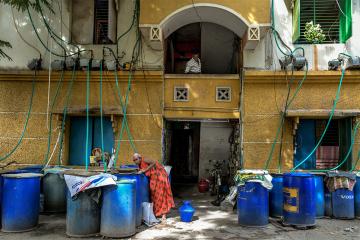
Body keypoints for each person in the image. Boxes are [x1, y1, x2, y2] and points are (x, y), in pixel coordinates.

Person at [132, 153, 175, 220]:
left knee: (161, 194)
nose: (135, 162)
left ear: (139, 158)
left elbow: (154, 162)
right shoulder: (139, 164)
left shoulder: (145, 159)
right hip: (153, 177)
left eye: (135, 160)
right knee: (154, 194)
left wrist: (145, 170)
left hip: (159, 175)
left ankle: (164, 214)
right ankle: (158, 212)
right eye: (133, 160)